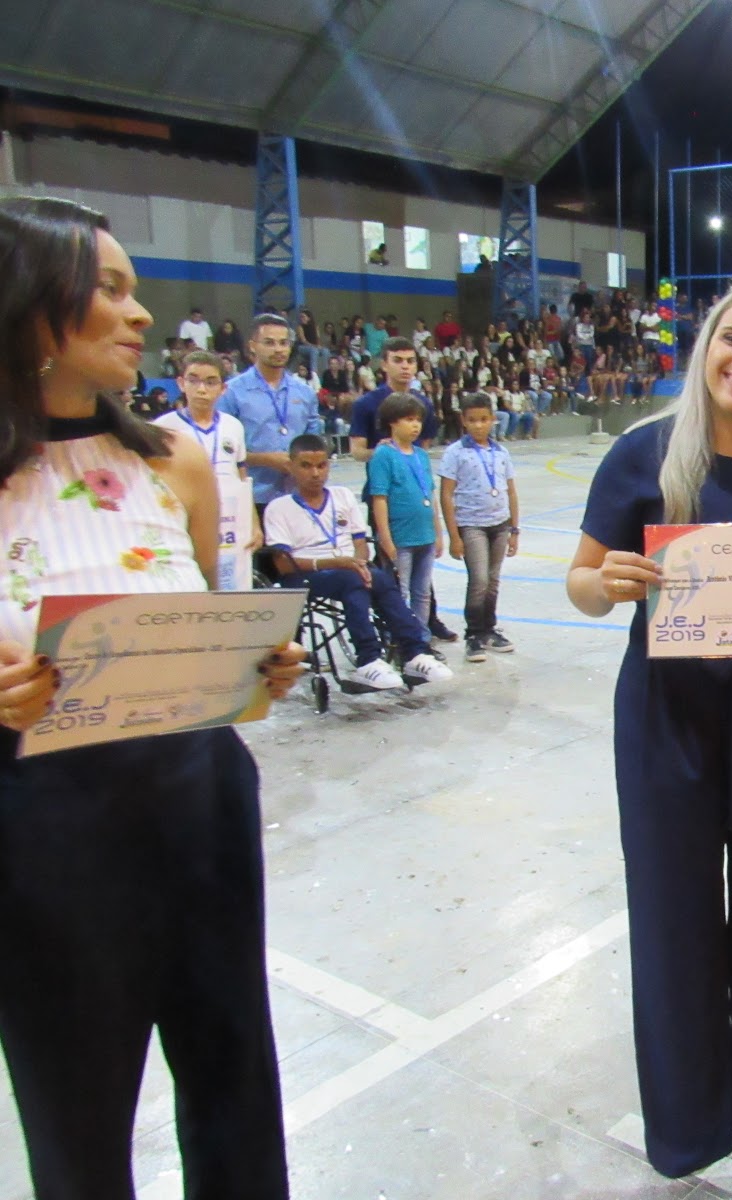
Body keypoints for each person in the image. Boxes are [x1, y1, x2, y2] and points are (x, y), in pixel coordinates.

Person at [0, 195, 305, 1199]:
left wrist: (255, 665)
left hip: (199, 803)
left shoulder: (173, 463)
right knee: (75, 1101)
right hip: (46, 829)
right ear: (30, 305)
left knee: (232, 1072)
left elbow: (200, 616)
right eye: (110, 289)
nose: (141, 314)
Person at [565, 280, 732, 1180]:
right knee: (674, 927)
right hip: (668, 724)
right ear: (706, 346)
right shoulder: (644, 454)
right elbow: (580, 581)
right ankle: (686, 1124)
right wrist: (608, 584)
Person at [263, 435, 453, 690]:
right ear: (291, 466)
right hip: (306, 572)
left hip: (349, 568)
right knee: (352, 580)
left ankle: (415, 653)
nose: (315, 473)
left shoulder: (342, 496)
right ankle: (368, 659)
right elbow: (283, 565)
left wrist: (358, 562)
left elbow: (360, 542)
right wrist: (337, 563)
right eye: (306, 466)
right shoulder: (278, 508)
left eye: (321, 465)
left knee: (381, 579)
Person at [155, 350, 262, 574]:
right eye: (193, 380)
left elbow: (242, 479)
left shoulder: (233, 426)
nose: (201, 389)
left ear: (223, 388)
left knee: (229, 582)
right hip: (183, 518)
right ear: (181, 383)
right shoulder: (163, 428)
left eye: (211, 382)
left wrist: (253, 523)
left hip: (229, 520)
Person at [440, 393, 519, 662]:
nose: (478, 425)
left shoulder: (501, 452)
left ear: (492, 419)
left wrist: (514, 529)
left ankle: (489, 629)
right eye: (472, 420)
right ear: (463, 421)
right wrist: (454, 536)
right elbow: (446, 494)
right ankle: (473, 633)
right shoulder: (455, 453)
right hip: (471, 524)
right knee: (479, 580)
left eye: (484, 419)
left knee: (493, 580)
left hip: (500, 524)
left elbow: (511, 491)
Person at [217, 312, 319, 509]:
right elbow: (222, 450)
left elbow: (314, 442)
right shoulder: (232, 392)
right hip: (252, 497)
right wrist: (264, 459)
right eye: (269, 343)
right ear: (252, 345)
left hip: (298, 496)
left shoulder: (305, 393)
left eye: (283, 343)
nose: (278, 349)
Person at [368, 393, 443, 632]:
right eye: (409, 419)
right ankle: (401, 638)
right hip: (401, 537)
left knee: (422, 592)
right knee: (400, 592)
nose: (415, 425)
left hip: (425, 535)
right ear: (392, 421)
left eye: (418, 420)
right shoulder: (383, 455)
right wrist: (386, 538)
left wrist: (438, 532)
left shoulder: (421, 455)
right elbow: (380, 498)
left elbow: (430, 494)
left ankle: (421, 637)